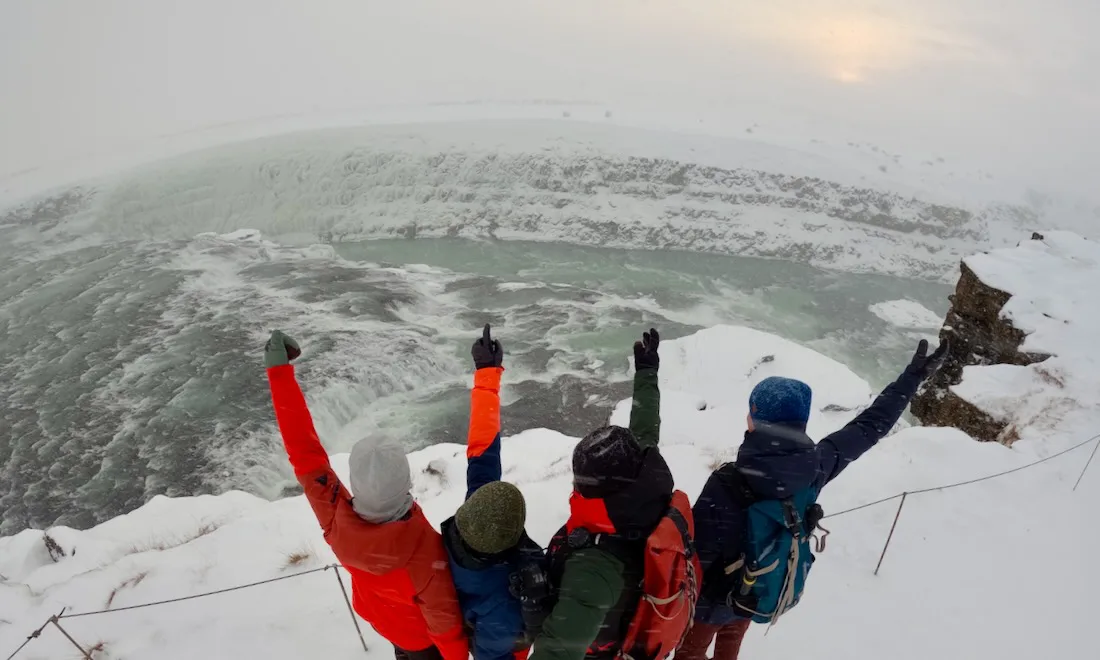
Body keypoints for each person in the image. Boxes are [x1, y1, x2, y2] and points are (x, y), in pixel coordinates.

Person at [676, 339, 950, 660]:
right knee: (732, 640)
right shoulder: (814, 468)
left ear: (754, 419)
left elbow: (695, 558)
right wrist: (913, 377)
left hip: (711, 602)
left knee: (690, 652)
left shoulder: (728, 482)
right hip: (761, 588)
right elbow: (869, 426)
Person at [264, 330, 468, 660]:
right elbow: (445, 627)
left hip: (383, 622)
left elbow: (304, 452)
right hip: (423, 643)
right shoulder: (424, 552)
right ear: (406, 481)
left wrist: (278, 373)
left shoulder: (335, 515)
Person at [532, 328, 682, 660]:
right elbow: (644, 428)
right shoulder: (644, 485)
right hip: (632, 609)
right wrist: (646, 372)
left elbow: (557, 651)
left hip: (603, 647)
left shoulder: (595, 566)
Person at [440, 325, 549, 660]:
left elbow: (483, 449)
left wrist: (487, 375)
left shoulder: (469, 527)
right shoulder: (503, 605)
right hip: (503, 642)